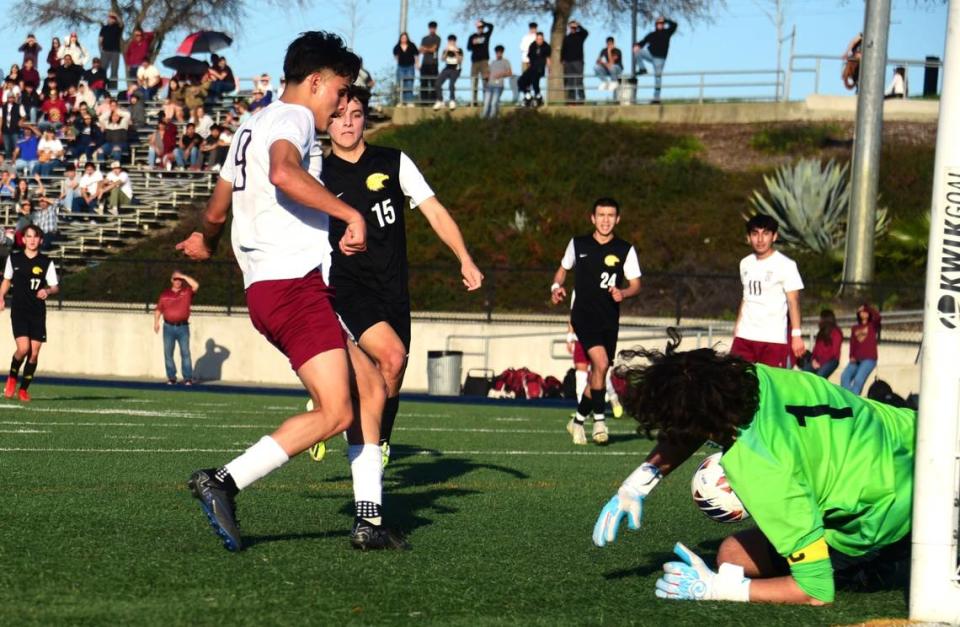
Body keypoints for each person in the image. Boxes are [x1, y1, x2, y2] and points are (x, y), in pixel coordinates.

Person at [175, 31, 406, 553]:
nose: (341, 105)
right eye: (340, 90)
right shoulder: (295, 118)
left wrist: (207, 244)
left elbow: (215, 210)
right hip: (292, 287)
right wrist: (349, 212)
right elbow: (284, 172)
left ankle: (368, 521)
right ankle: (224, 480)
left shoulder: (250, 125)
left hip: (280, 285)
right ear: (317, 81)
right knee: (337, 411)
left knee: (369, 386)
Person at [591, 339, 914, 605]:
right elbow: (699, 417)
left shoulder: (761, 469)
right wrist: (639, 483)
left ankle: (888, 560)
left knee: (734, 563)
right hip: (921, 440)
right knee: (732, 554)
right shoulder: (755, 377)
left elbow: (815, 591)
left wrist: (720, 590)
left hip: (893, 514)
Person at [322, 86, 483, 465]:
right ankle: (360, 441)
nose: (347, 122)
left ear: (365, 119)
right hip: (346, 286)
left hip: (391, 287)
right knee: (391, 357)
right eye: (338, 114)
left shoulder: (394, 162)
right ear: (326, 120)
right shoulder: (317, 172)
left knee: (392, 370)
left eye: (355, 114)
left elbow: (434, 210)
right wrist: (334, 245)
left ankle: (367, 429)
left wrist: (465, 258)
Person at [550, 197, 641, 445]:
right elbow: (562, 269)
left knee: (600, 371)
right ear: (592, 218)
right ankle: (600, 422)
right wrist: (556, 286)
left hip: (609, 319)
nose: (605, 220)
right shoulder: (578, 244)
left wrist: (623, 293)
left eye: (611, 215)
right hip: (583, 316)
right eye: (601, 215)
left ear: (617, 219)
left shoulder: (625, 249)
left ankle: (577, 420)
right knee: (600, 363)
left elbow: (636, 285)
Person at [731, 214, 805, 368]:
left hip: (772, 339)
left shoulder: (786, 265)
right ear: (749, 237)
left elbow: (793, 301)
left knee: (770, 388)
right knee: (735, 385)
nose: (760, 239)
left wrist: (796, 335)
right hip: (744, 337)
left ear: (774, 236)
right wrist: (737, 327)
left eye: (765, 234)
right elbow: (746, 297)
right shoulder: (745, 263)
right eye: (755, 234)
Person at [1, 224, 59, 403]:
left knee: (34, 354)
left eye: (36, 237)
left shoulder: (46, 262)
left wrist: (47, 291)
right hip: (19, 311)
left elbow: (55, 286)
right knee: (23, 349)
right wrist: (1, 296)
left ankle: (23, 389)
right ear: (23, 239)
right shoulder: (14, 259)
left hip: (37, 312)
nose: (32, 240)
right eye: (29, 236)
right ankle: (11, 378)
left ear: (40, 240)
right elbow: (6, 280)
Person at [153, 271, 198, 385]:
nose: (178, 281)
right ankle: (171, 377)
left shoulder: (186, 292)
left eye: (179, 280)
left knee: (185, 353)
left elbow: (196, 285)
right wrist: (156, 322)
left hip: (183, 327)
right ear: (171, 280)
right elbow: (159, 309)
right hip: (168, 327)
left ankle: (187, 378)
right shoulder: (165, 294)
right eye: (175, 279)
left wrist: (183, 276)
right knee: (168, 353)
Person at [633, 16, 678, 104]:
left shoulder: (667, 32)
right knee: (638, 51)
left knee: (658, 77)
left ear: (663, 25)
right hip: (651, 55)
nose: (660, 25)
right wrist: (637, 45)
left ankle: (656, 98)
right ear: (656, 25)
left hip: (660, 59)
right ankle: (642, 69)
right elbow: (643, 41)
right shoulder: (652, 34)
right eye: (658, 24)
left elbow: (674, 25)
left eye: (661, 24)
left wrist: (665, 19)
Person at [840, 303, 881, 395]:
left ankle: (853, 401)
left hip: (869, 359)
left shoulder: (872, 326)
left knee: (858, 379)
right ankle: (847, 397)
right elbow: (853, 343)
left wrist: (868, 307)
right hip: (856, 359)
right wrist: (851, 356)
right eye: (861, 312)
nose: (863, 313)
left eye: (865, 312)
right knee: (845, 376)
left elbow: (878, 317)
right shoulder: (855, 328)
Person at [801, 309, 843, 380]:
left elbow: (834, 352)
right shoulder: (821, 333)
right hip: (817, 361)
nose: (819, 320)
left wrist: (821, 363)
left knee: (820, 375)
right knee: (805, 372)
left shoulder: (836, 332)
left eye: (821, 318)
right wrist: (813, 360)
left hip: (832, 361)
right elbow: (815, 349)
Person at [518, 32, 550, 108]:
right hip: (532, 67)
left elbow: (548, 58)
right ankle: (528, 97)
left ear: (543, 39)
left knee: (534, 81)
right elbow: (529, 57)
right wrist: (528, 66)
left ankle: (538, 98)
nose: (539, 41)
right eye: (538, 39)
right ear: (536, 39)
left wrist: (549, 68)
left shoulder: (546, 46)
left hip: (539, 68)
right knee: (521, 81)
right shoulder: (532, 45)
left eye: (541, 39)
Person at [560, 19, 589, 103]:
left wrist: (579, 25)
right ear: (569, 27)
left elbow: (586, 33)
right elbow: (563, 49)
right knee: (570, 81)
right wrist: (562, 60)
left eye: (574, 27)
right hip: (568, 63)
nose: (573, 28)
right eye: (571, 27)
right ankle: (571, 100)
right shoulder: (566, 38)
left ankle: (581, 99)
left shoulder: (580, 36)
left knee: (579, 81)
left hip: (578, 62)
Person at [467, 19, 494, 106]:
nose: (480, 28)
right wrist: (473, 43)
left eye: (481, 27)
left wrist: (483, 22)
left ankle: (486, 101)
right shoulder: (472, 36)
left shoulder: (486, 35)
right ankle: (474, 101)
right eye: (479, 27)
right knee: (474, 81)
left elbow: (491, 27)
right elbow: (468, 47)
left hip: (484, 61)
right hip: (474, 61)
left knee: (485, 81)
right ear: (476, 28)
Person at [433, 35, 463, 110]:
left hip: (456, 69)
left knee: (451, 84)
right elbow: (442, 59)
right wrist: (447, 51)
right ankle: (440, 100)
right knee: (437, 83)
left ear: (455, 42)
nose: (451, 43)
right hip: (447, 68)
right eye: (450, 41)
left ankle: (452, 100)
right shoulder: (445, 50)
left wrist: (455, 52)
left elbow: (460, 60)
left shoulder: (459, 50)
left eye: (453, 41)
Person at [482, 45, 511, 119]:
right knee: (486, 103)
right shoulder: (492, 62)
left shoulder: (506, 62)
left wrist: (501, 74)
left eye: (500, 52)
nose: (498, 54)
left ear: (502, 53)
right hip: (489, 85)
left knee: (494, 103)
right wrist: (486, 76)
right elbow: (488, 73)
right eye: (497, 52)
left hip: (498, 86)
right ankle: (483, 118)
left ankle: (492, 119)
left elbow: (510, 73)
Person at [98, 11, 123, 90]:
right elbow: (100, 39)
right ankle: (101, 86)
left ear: (114, 20)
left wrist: (116, 15)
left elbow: (121, 23)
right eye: (109, 18)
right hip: (105, 51)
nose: (109, 20)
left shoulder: (118, 27)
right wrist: (101, 50)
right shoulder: (104, 28)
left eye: (112, 18)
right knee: (102, 69)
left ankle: (112, 88)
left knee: (114, 70)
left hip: (115, 51)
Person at [393, 32, 419, 107]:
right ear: (400, 39)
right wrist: (398, 60)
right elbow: (395, 55)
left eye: (405, 37)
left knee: (409, 83)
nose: (404, 39)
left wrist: (417, 64)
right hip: (401, 67)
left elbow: (416, 55)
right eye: (402, 38)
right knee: (401, 84)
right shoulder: (397, 46)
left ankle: (409, 101)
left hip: (410, 66)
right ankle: (401, 101)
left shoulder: (412, 45)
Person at [419, 21, 441, 103]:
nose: (432, 30)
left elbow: (434, 49)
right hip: (425, 63)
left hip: (433, 63)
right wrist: (427, 49)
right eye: (431, 28)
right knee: (423, 82)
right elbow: (420, 50)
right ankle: (423, 101)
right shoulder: (424, 39)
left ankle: (432, 101)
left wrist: (426, 49)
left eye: (434, 28)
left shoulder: (437, 38)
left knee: (434, 82)